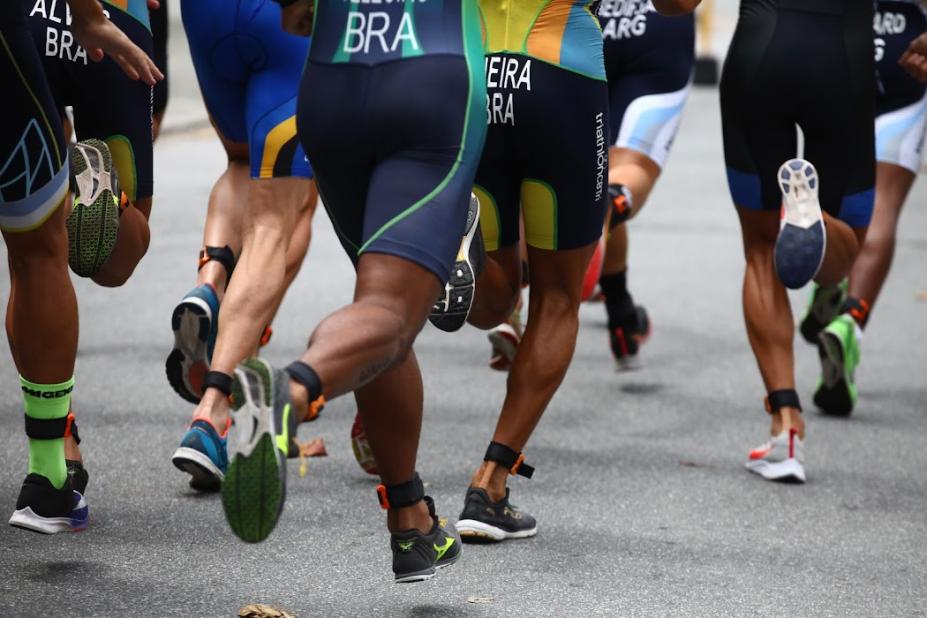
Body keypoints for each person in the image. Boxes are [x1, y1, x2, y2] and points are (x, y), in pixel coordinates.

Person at [216, 0, 486, 584]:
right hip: (431, 75)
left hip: (333, 84)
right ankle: (287, 393)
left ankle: (410, 519)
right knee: (389, 309)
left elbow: (293, 16)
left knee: (380, 307)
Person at [670, 0, 875, 483]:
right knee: (843, 259)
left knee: (761, 250)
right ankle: (816, 221)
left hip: (760, 49)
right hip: (844, 51)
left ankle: (785, 424)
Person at [444, 0, 608, 542]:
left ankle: (455, 247)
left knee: (494, 290)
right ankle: (490, 481)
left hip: (474, 69)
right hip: (566, 75)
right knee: (558, 298)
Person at [2, 0, 160, 534]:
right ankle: (89, 190)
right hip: (109, 13)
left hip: (23, 17)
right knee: (64, 256)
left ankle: (58, 448)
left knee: (26, 250)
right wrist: (88, 13)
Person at [166, 0, 318, 492]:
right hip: (283, 17)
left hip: (206, 14)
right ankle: (213, 414)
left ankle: (210, 281)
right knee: (283, 215)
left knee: (240, 161)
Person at [799, 0, 927, 416]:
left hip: (838, 40)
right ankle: (850, 319)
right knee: (883, 205)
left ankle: (828, 283)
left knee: (835, 190)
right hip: (905, 46)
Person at [593, 0, 695, 368]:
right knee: (626, 167)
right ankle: (620, 317)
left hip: (583, 23)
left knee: (591, 173)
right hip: (657, 25)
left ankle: (619, 309)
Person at [27, 0, 158, 288]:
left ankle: (62, 156)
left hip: (25, 19)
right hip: (116, 17)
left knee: (31, 252)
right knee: (116, 262)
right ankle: (102, 185)